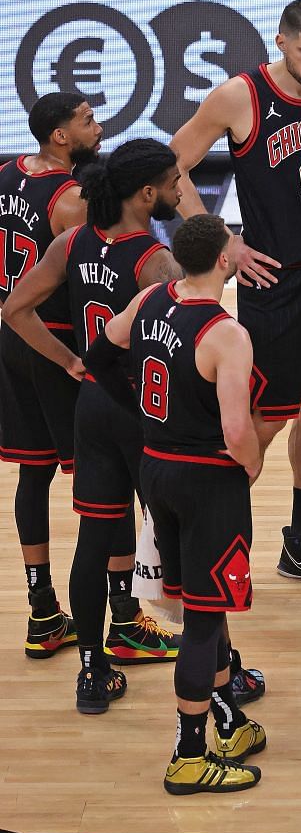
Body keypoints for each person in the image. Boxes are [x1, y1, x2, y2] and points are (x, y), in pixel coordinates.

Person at [170, 0, 301, 591]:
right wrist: (224, 242)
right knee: (263, 417)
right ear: (281, 43)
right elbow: (171, 165)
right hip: (275, 279)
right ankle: (191, 539)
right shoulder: (239, 95)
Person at [84, 214, 266, 793]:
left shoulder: (152, 299)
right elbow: (237, 432)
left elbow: (97, 354)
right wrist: (253, 464)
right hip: (207, 480)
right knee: (205, 620)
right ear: (222, 259)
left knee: (194, 606)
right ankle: (189, 755)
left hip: (156, 468)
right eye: (233, 241)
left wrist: (139, 407)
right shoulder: (226, 333)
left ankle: (228, 721)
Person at [3, 140, 186, 712]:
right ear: (147, 193)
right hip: (143, 411)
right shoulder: (155, 262)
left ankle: (92, 669)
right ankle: (219, 669)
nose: (182, 192)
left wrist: (69, 361)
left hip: (92, 407)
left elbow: (13, 309)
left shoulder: (72, 241)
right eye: (175, 182)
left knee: (94, 535)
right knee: (183, 534)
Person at [0, 92, 100, 659]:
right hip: (52, 340)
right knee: (99, 481)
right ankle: (123, 611)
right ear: (61, 136)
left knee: (32, 474)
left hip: (8, 340)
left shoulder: (7, 173)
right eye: (87, 121)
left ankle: (42, 611)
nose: (98, 126)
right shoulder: (71, 201)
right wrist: (69, 358)